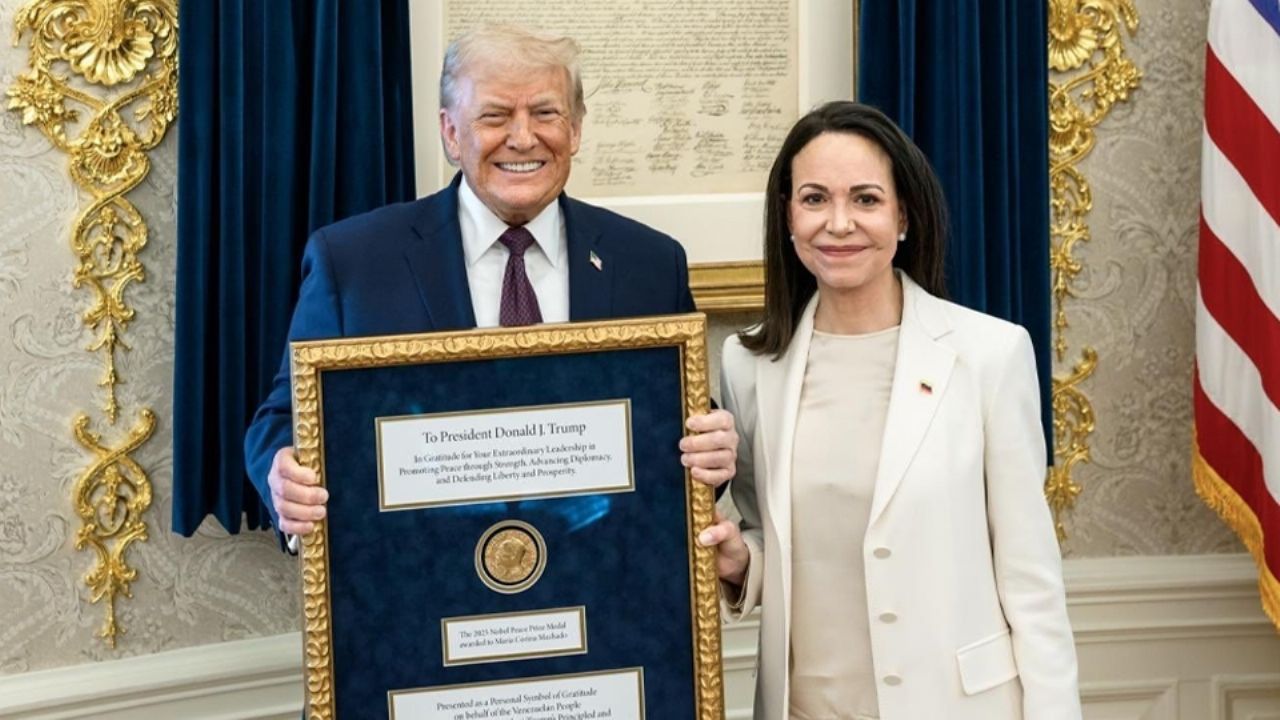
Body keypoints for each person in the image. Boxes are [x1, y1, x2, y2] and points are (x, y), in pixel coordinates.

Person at [244, 24, 737, 537]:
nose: (523, 137)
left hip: (601, 583)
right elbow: (282, 420)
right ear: (452, 133)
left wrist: (714, 451)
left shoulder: (650, 263)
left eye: (545, 113)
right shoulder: (354, 263)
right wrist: (284, 476)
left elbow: (680, 427)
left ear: (576, 129)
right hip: (419, 584)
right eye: (495, 116)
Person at [696, 102, 1080, 719]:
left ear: (903, 216)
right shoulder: (748, 364)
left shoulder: (989, 354)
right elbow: (773, 532)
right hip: (806, 706)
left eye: (866, 200)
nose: (839, 223)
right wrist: (742, 564)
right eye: (815, 199)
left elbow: (1031, 580)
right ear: (787, 217)